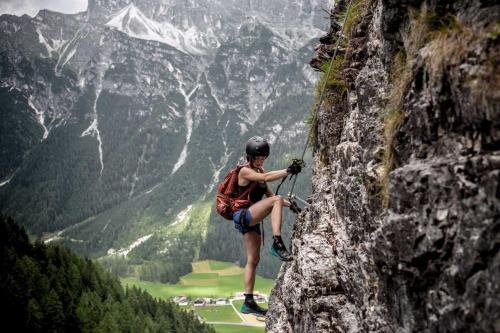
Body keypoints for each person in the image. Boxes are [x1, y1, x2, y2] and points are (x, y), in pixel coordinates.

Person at [235, 136, 302, 316]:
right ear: (250, 157)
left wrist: (291, 205)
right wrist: (288, 171)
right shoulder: (244, 171)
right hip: (244, 215)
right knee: (277, 200)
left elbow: (271, 196)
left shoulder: (259, 171)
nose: (261, 161)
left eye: (263, 158)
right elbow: (266, 178)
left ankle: (248, 302)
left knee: (253, 260)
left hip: (251, 217)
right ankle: (277, 242)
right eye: (258, 158)